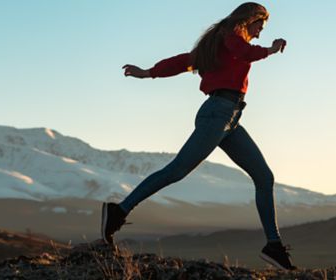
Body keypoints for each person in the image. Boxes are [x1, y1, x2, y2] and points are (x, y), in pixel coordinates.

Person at [100, 2, 296, 270]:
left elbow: (183, 61)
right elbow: (244, 51)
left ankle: (273, 245)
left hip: (230, 118)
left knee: (264, 177)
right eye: (259, 26)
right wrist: (270, 51)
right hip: (218, 114)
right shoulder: (232, 36)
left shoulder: (219, 43)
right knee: (177, 170)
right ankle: (119, 211)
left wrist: (148, 72)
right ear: (249, 19)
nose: (260, 33)